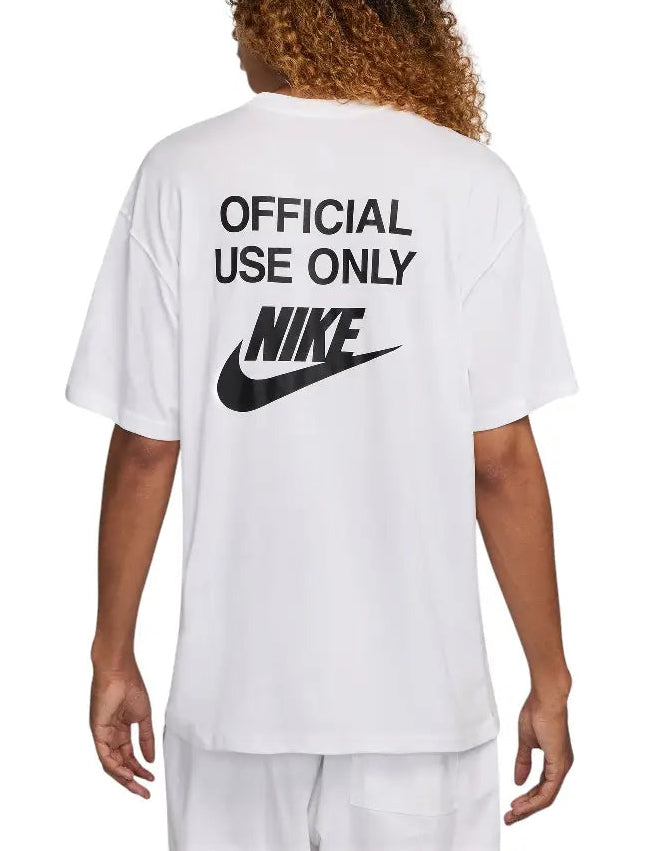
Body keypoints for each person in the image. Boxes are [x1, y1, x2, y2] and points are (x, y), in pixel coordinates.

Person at [66, 1, 577, 849]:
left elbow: (147, 448)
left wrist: (110, 653)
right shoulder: (468, 181)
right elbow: (501, 463)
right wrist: (549, 676)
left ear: (275, 21)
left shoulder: (181, 172)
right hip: (417, 700)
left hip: (235, 697)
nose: (236, 36)